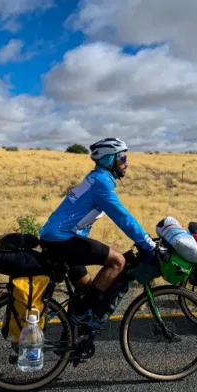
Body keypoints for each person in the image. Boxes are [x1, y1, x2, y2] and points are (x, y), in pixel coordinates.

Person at [38, 138, 162, 329]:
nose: (126, 162)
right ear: (108, 160)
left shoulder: (95, 178)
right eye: (122, 157)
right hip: (61, 240)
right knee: (118, 261)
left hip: (56, 238)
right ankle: (83, 317)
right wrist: (148, 243)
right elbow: (123, 218)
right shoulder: (101, 184)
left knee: (86, 290)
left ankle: (73, 336)